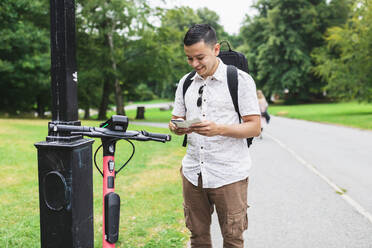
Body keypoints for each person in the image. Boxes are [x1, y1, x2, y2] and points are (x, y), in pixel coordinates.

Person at [168, 24, 261, 248]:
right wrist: (177, 127)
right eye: (189, 59)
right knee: (197, 237)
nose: (194, 64)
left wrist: (218, 129)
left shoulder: (240, 80)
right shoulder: (186, 82)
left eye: (200, 57)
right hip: (193, 173)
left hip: (228, 174)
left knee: (232, 238)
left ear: (216, 49)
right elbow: (174, 120)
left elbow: (254, 127)